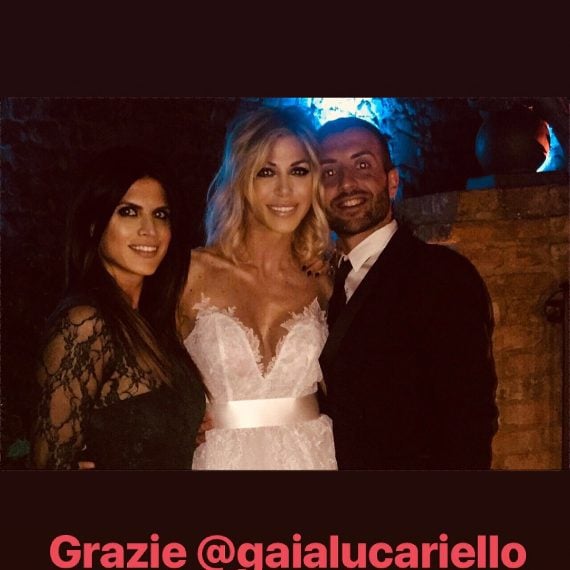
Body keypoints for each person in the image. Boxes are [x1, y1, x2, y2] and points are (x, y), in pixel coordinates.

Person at [316, 117, 499, 469]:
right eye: (329, 172)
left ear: (392, 181)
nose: (346, 183)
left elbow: (469, 417)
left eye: (362, 165)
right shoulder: (316, 279)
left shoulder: (441, 275)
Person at [178, 105, 338, 469]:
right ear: (241, 180)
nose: (285, 189)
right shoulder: (190, 273)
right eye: (267, 172)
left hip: (311, 459)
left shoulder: (326, 281)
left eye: (298, 171)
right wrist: (178, 419)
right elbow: (139, 376)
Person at [32, 147, 206, 469]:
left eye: (160, 215)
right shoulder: (85, 323)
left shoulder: (157, 320)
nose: (149, 230)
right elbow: (49, 463)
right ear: (93, 225)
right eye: (128, 212)